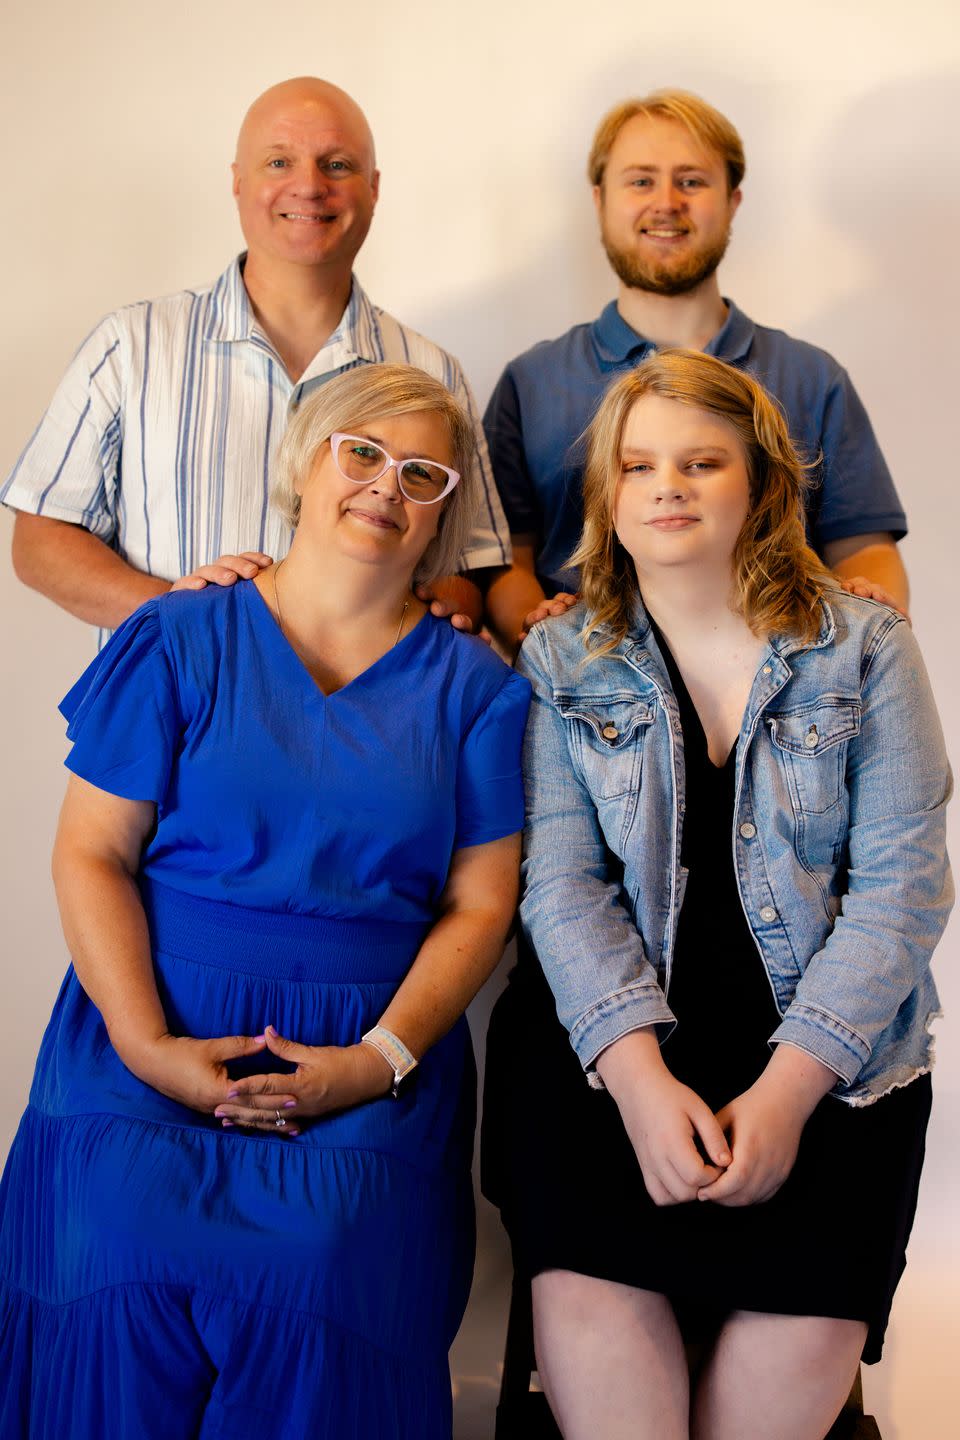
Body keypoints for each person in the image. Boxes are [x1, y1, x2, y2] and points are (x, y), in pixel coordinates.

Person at [0, 364, 530, 1439]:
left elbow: (482, 906)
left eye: (422, 471)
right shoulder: (178, 638)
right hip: (141, 1037)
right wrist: (149, 1048)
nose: (387, 484)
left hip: (367, 1065)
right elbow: (91, 853)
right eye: (363, 452)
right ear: (305, 460)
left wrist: (372, 1063)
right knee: (112, 1244)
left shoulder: (481, 691)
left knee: (330, 1270)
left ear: (445, 507)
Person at [481, 350, 950, 1439]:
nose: (669, 487)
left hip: (835, 1087)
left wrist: (788, 1097)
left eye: (702, 462)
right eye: (639, 467)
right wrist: (639, 1082)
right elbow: (558, 885)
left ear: (762, 486)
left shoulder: (869, 648)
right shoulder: (560, 656)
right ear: (607, 496)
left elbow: (903, 890)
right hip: (603, 1081)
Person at [3, 76, 509, 639]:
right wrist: (185, 618)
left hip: (360, 718)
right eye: (278, 162)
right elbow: (40, 540)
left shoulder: (432, 371)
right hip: (176, 717)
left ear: (374, 187)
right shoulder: (130, 345)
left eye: (337, 165)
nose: (309, 186)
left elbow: (471, 565)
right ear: (238, 181)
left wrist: (436, 611)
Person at [483, 89, 909, 649]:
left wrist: (865, 637)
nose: (665, 202)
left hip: (782, 699)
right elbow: (503, 558)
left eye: (691, 181)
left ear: (732, 201)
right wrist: (544, 642)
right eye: (640, 180)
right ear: (599, 199)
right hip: (587, 702)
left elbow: (864, 549)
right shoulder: (529, 383)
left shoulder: (811, 376)